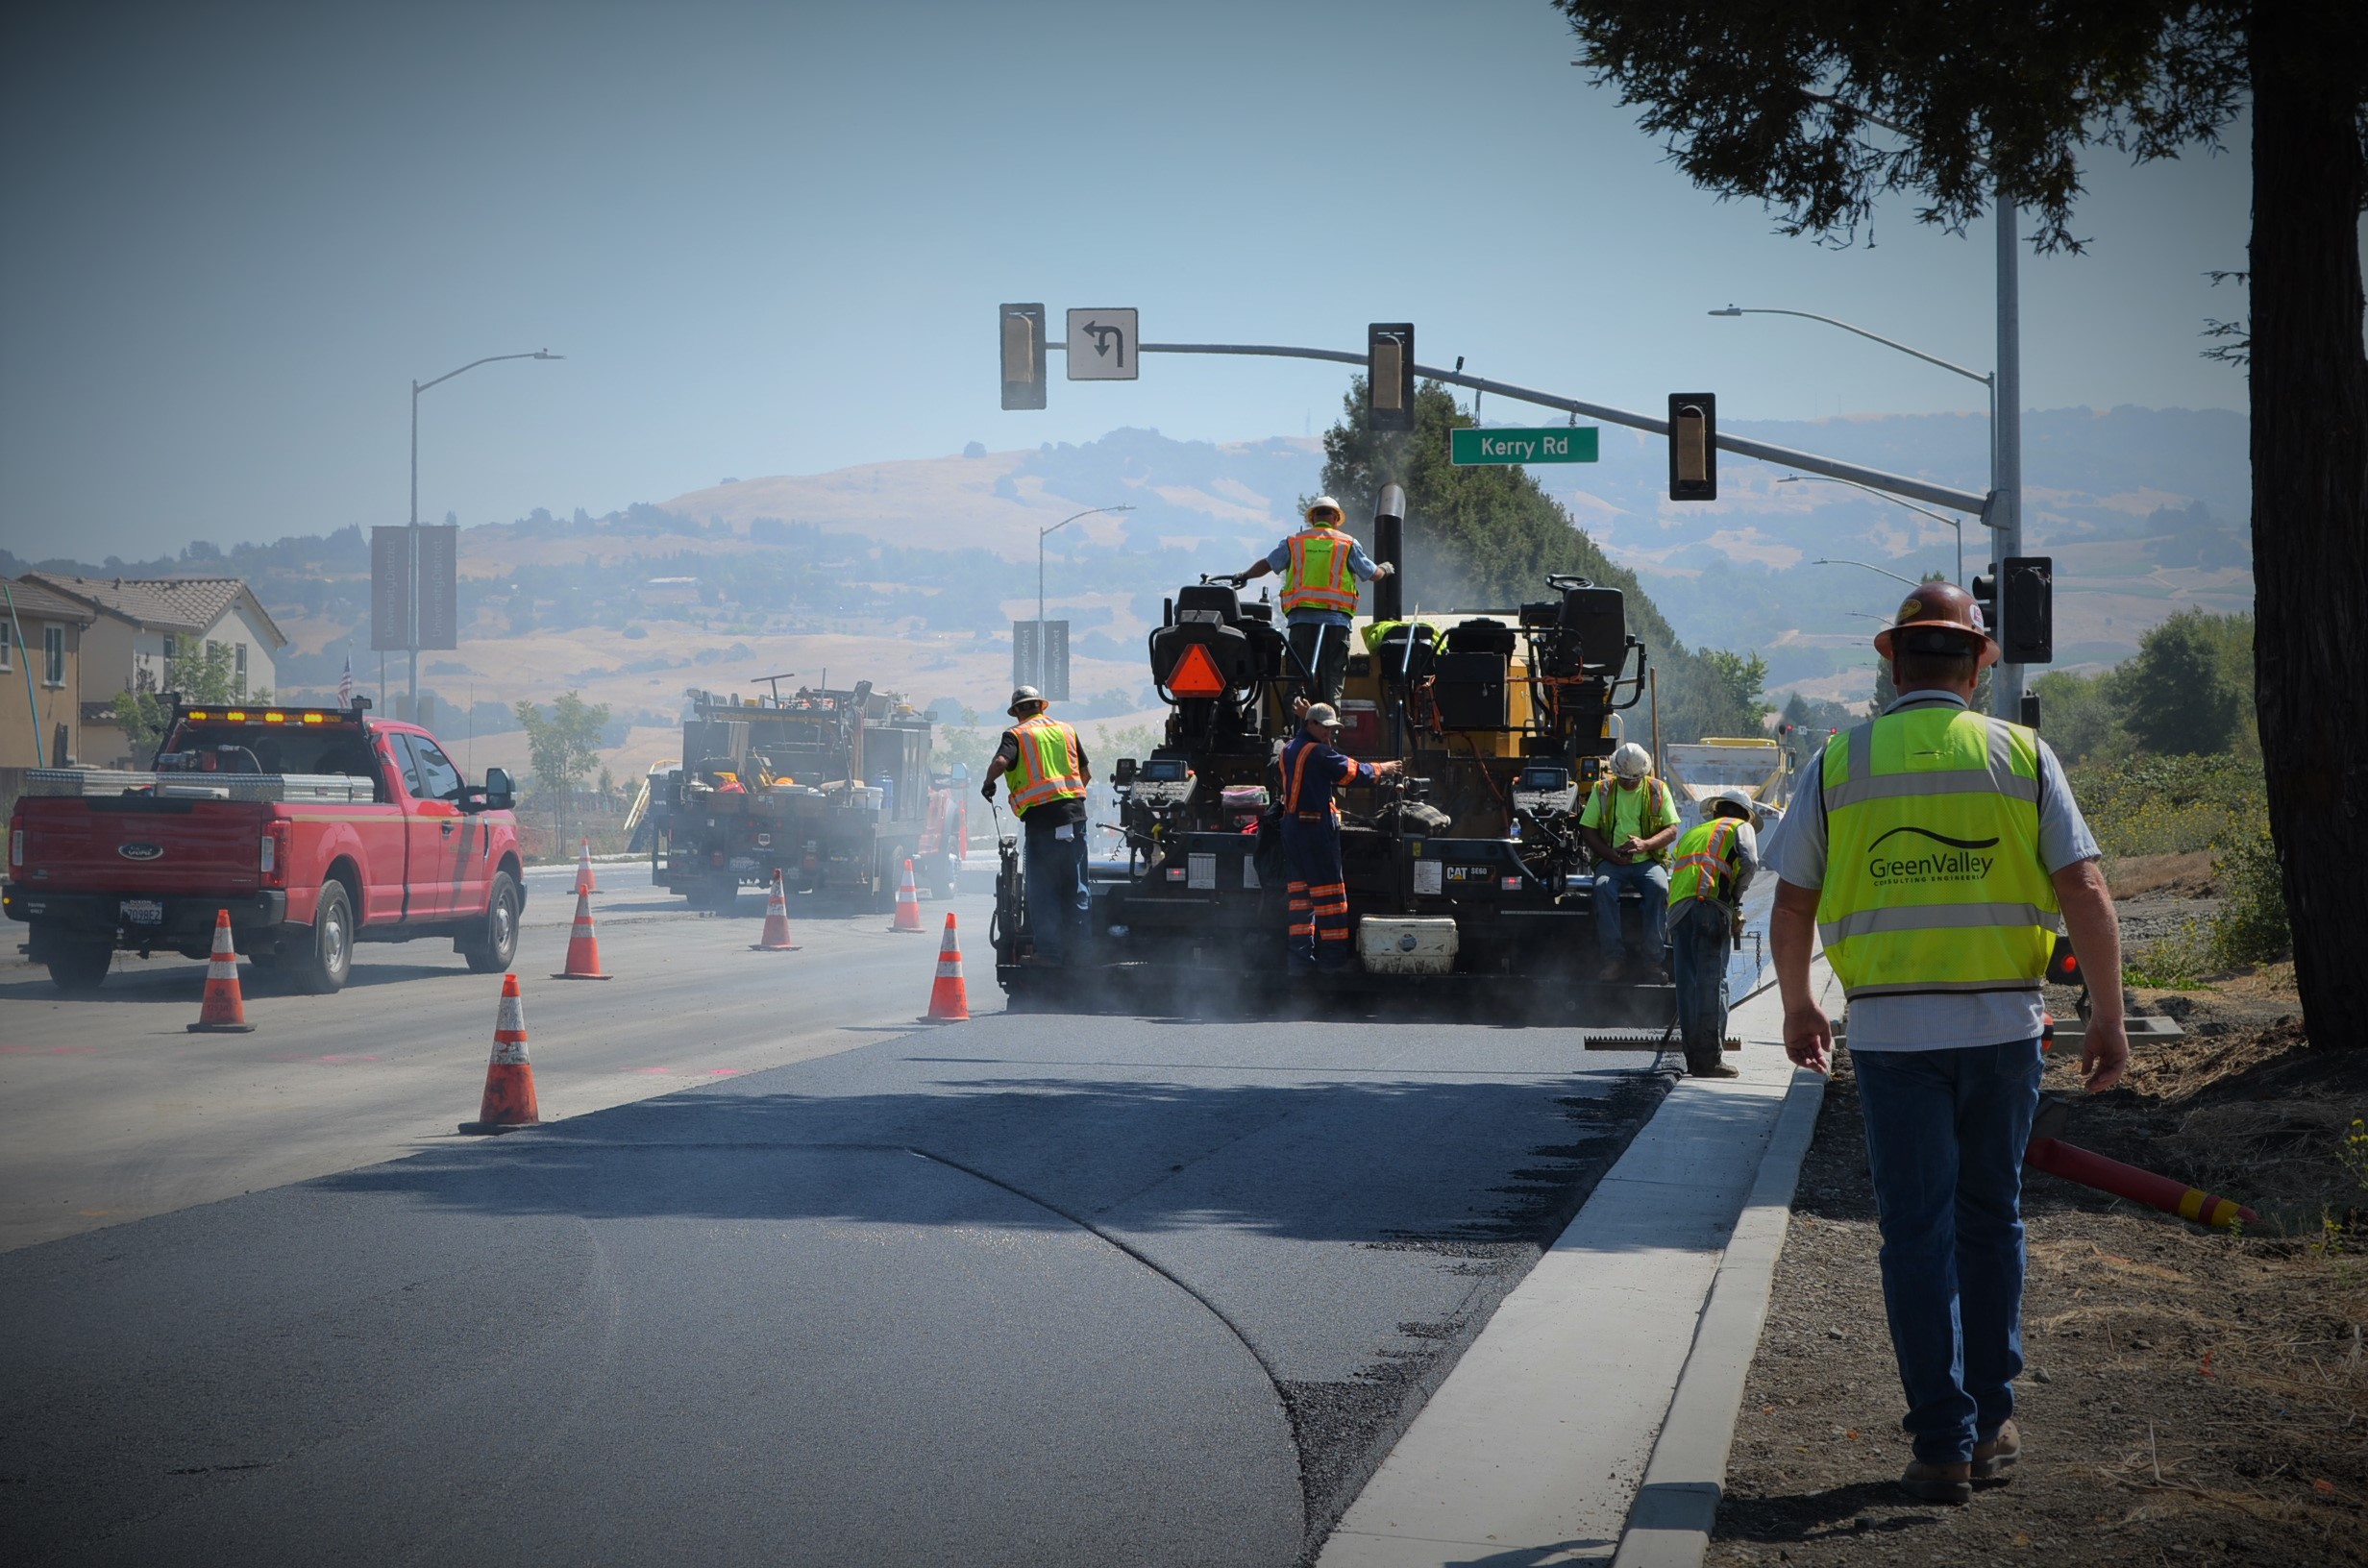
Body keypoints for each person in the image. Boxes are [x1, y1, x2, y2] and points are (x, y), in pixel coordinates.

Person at [1764, 581, 2130, 1506]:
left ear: (1891, 660)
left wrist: (1802, 1006)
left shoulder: (1841, 761)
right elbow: (2084, 891)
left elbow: (1794, 899)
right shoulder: (2022, 754)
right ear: (1980, 662)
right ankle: (1993, 1422)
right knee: (1990, 1218)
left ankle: (1940, 1443)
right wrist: (2108, 1015)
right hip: (2006, 1028)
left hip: (1891, 1037)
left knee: (1914, 1233)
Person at [1277, 702, 1402, 971]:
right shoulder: (1318, 753)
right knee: (1331, 898)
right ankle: (1332, 964)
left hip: (1292, 829)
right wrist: (1384, 769)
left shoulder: (1289, 749)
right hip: (1315, 832)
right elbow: (1351, 772)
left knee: (1301, 900)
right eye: (1326, 729)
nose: (1330, 735)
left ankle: (1298, 965)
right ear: (1311, 724)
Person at [1239, 496, 1395, 709]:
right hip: (1336, 624)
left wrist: (1244, 575)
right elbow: (1372, 573)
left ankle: (1293, 732)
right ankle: (1328, 734)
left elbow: (1267, 564)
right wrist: (1386, 568)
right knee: (1332, 682)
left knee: (1297, 679)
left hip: (1301, 624)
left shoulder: (1294, 542)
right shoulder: (1347, 543)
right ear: (1336, 518)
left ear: (1312, 517)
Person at [980, 686, 1092, 965]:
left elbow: (1000, 761)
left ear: (1018, 710)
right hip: (1076, 818)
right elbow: (1086, 773)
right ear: (1041, 706)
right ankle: (1081, 953)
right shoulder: (1066, 730)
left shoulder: (1016, 734)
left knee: (1043, 891)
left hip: (1042, 823)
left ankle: (1051, 955)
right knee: (1076, 887)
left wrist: (988, 782)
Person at [1665, 786, 1760, 1078]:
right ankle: (1709, 1060)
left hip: (1678, 912)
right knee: (1712, 982)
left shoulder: (1692, 834)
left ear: (1716, 810)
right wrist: (1735, 902)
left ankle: (1693, 1059)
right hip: (1710, 908)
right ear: (1744, 813)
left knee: (1688, 983)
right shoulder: (1740, 827)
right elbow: (1751, 861)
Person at [1580, 742, 1681, 979]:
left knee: (1658, 888)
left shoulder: (1658, 790)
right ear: (1615, 773)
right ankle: (1613, 959)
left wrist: (1645, 845)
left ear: (1643, 773)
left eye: (1633, 779)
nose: (1628, 783)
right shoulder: (1602, 790)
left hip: (1648, 861)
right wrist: (1608, 853)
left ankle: (1653, 961)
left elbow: (1672, 830)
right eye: (1624, 779)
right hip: (1611, 861)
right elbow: (1587, 828)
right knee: (1602, 888)